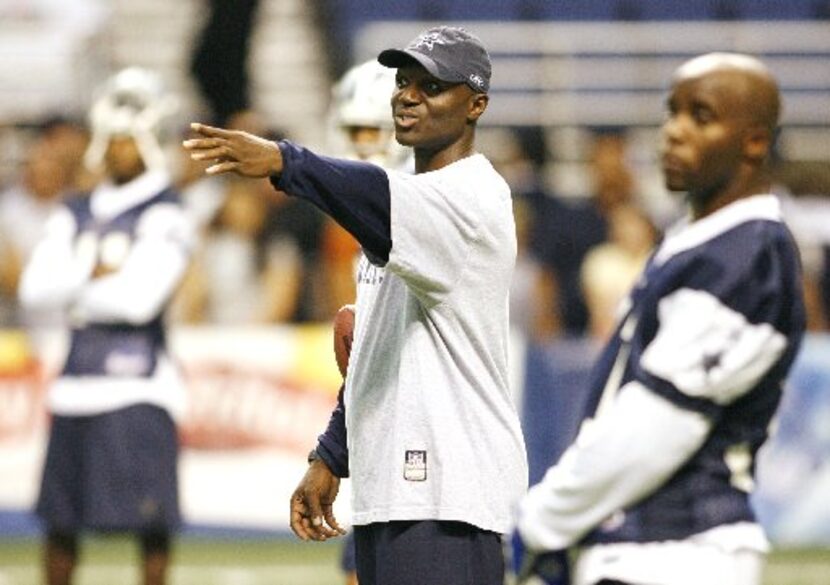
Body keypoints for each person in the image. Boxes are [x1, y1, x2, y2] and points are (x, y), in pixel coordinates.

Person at [183, 26, 528, 585]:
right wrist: (331, 456)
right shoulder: (401, 217)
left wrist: (281, 159)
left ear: (476, 105)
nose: (408, 95)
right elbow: (380, 352)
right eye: (403, 81)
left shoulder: (472, 195)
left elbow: (372, 192)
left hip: (450, 493)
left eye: (433, 86)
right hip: (394, 489)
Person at [515, 53, 807, 585]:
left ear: (755, 142)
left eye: (701, 115)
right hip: (640, 541)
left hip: (681, 546)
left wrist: (545, 520)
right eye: (671, 112)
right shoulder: (698, 241)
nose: (673, 132)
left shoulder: (748, 254)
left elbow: (658, 424)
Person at [19, 67, 193, 585]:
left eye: (129, 139)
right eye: (113, 138)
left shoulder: (168, 212)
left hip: (138, 386)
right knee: (59, 524)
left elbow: (138, 302)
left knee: (150, 524)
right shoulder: (74, 210)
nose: (119, 149)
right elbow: (33, 289)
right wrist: (91, 274)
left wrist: (73, 287)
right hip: (74, 385)